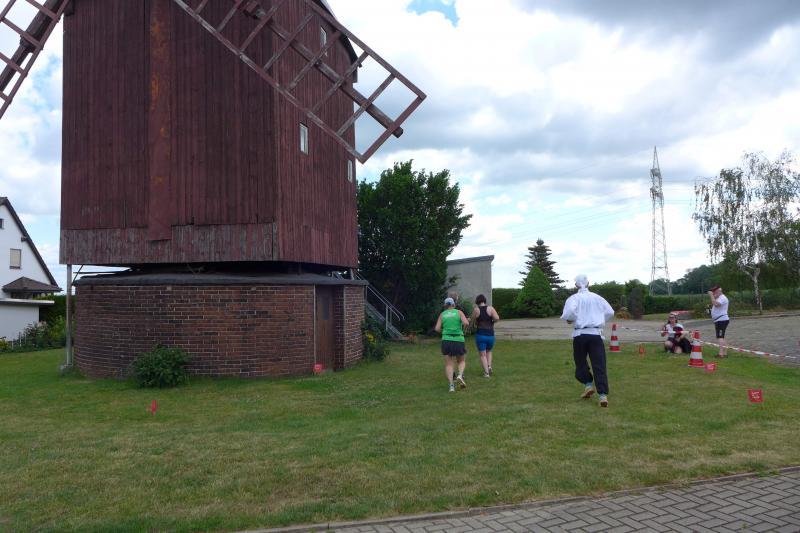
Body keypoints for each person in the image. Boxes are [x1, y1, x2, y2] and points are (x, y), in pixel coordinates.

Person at [560, 274, 615, 408]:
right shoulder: (598, 298)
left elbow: (569, 314)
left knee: (580, 362)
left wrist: (572, 319)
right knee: (599, 364)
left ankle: (588, 384)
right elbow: (610, 312)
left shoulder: (573, 298)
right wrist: (599, 319)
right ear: (588, 283)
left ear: (576, 285)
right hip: (596, 334)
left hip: (580, 334)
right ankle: (602, 396)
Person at [435, 297, 470, 392]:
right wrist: (463, 331)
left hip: (446, 340)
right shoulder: (459, 312)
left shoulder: (442, 314)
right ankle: (460, 375)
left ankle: (451, 385)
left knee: (449, 364)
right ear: (453, 304)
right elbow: (466, 323)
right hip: (459, 339)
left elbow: (437, 328)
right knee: (461, 361)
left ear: (445, 306)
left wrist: (444, 332)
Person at [470, 294, 500, 378]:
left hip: (480, 335)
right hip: (490, 334)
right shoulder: (491, 308)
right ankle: (489, 366)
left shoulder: (476, 310)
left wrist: (471, 325)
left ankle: (486, 373)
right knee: (489, 351)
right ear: (484, 300)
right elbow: (497, 318)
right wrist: (492, 322)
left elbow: (471, 321)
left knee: (482, 355)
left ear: (477, 301)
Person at [708, 285, 729, 357]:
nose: (713, 293)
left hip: (721, 320)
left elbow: (716, 304)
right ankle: (724, 353)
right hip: (719, 320)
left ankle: (721, 354)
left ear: (719, 290)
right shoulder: (719, 297)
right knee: (721, 337)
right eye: (713, 291)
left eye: (714, 291)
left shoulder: (722, 298)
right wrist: (713, 296)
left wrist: (711, 296)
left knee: (720, 337)